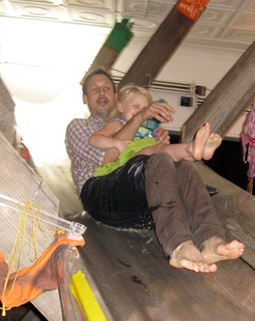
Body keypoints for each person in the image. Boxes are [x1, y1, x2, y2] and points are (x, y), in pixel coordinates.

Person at [65, 68, 244, 273]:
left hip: (137, 200)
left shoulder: (139, 128)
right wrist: (140, 119)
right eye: (94, 89)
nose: (102, 93)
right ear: (85, 98)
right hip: (100, 195)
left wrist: (158, 141)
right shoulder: (79, 127)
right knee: (158, 159)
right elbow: (108, 161)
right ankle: (179, 245)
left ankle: (210, 239)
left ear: (116, 97)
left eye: (106, 88)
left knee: (184, 167)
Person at [89, 84, 223, 177]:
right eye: (136, 106)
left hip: (146, 161)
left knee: (175, 157)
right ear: (120, 107)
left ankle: (196, 151)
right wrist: (116, 143)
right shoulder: (118, 123)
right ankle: (191, 148)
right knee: (160, 151)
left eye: (145, 108)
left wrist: (158, 138)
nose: (140, 111)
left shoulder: (146, 129)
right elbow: (94, 139)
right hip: (127, 161)